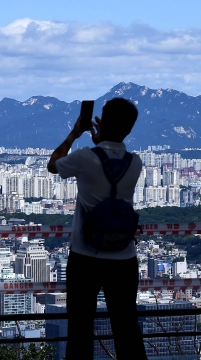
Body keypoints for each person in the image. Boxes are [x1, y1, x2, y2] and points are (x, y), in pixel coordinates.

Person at [47, 98, 146, 360]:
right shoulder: (136, 163)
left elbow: (53, 164)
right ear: (129, 129)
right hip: (124, 258)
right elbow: (109, 163)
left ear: (100, 122)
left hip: (85, 257)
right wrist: (102, 143)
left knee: (80, 328)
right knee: (126, 327)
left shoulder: (84, 158)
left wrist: (75, 132)